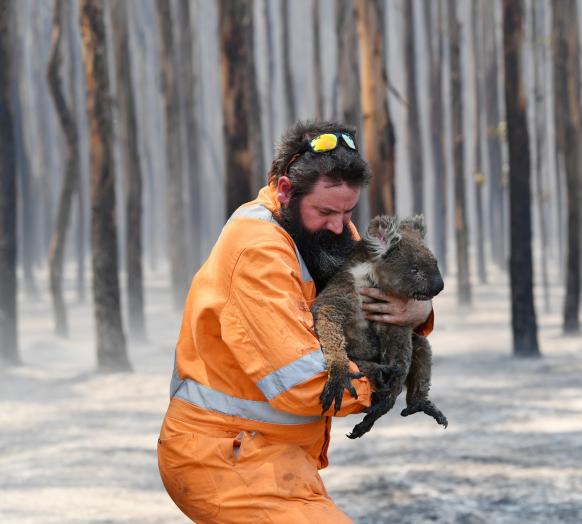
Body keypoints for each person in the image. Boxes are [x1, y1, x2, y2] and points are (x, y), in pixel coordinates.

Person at [157, 121, 435, 523]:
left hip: (276, 457)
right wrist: (387, 380)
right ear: (286, 190)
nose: (342, 226)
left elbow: (382, 291)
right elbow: (302, 382)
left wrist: (420, 313)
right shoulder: (258, 252)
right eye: (326, 211)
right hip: (224, 460)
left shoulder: (321, 231)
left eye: (349, 211)